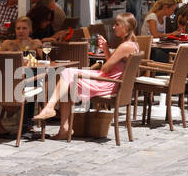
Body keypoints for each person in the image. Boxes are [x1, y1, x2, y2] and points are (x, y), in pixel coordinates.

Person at [33, 12, 141, 141]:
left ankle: (50, 108)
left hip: (107, 83)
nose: (113, 27)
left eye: (116, 24)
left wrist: (107, 55)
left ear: (126, 27)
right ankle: (63, 128)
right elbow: (112, 65)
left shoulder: (125, 46)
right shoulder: (133, 44)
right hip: (112, 81)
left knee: (67, 74)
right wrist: (106, 49)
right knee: (67, 80)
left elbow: (106, 68)